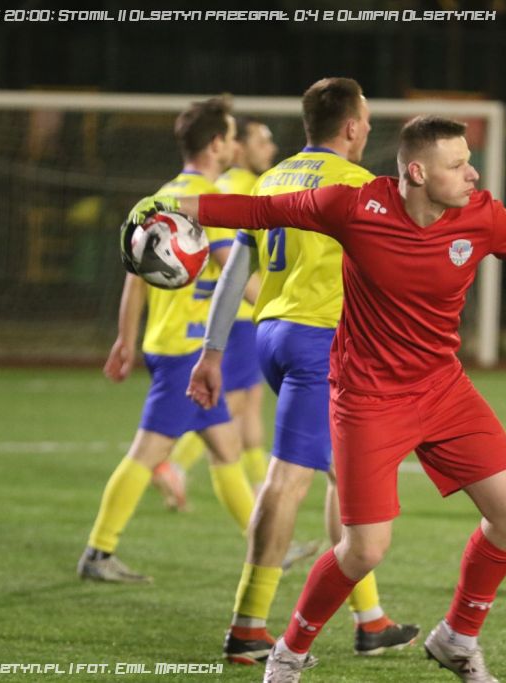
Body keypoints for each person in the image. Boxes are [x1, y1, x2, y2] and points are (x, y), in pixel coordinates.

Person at [130, 114, 506, 682]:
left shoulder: (482, 214)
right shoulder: (354, 206)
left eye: (469, 162)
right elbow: (258, 211)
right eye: (457, 165)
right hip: (367, 398)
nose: (473, 174)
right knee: (363, 550)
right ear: (417, 172)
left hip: (442, 388)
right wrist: (174, 206)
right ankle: (289, 653)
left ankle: (457, 638)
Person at [193, 79, 419, 665]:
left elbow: (235, 269)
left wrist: (213, 351)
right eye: (366, 121)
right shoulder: (359, 185)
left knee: (346, 475)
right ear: (352, 126)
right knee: (288, 478)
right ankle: (248, 625)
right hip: (321, 342)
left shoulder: (271, 179)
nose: (368, 130)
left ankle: (370, 619)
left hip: (274, 335)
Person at [77, 97, 256, 583]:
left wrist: (125, 339)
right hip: (186, 351)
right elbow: (235, 272)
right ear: (216, 144)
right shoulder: (206, 199)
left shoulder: (161, 197)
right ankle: (98, 552)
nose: (235, 144)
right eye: (231, 135)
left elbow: (134, 279)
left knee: (226, 449)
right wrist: (284, 307)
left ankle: (266, 547)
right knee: (147, 453)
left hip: (167, 342)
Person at [151, 117, 278, 509]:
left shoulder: (241, 183)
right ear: (236, 147)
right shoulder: (237, 187)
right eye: (261, 141)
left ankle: (259, 486)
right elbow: (231, 261)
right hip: (239, 314)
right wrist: (274, 304)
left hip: (245, 311)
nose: (271, 149)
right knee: (231, 403)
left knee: (249, 402)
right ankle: (175, 464)